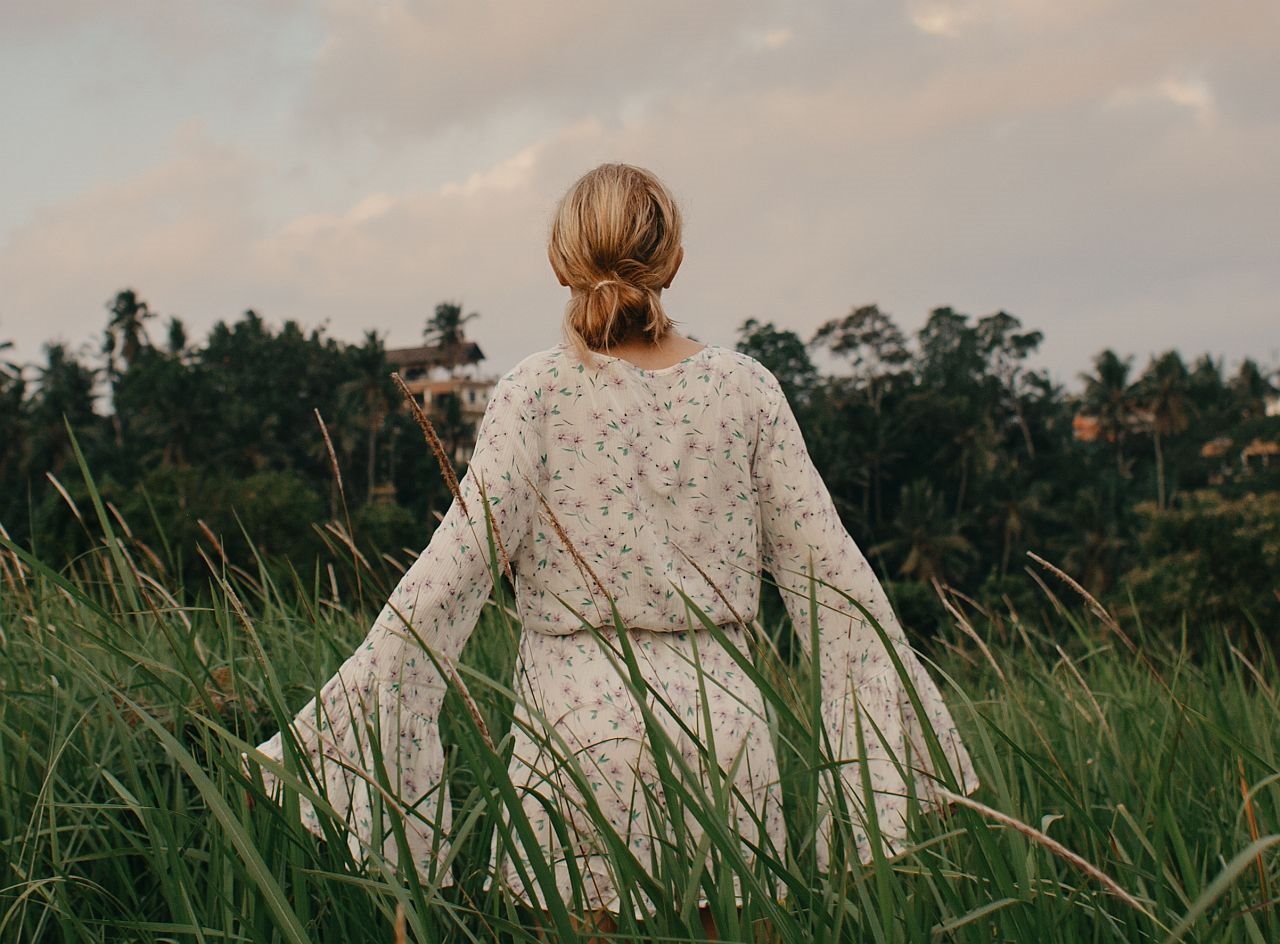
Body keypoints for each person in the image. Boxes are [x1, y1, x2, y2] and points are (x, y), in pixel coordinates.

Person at [249, 163, 978, 926]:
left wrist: (335, 720)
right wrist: (904, 748)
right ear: (674, 262)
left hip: (576, 733)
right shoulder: (743, 387)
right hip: (720, 731)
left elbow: (451, 572)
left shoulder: (534, 391)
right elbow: (830, 576)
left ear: (561, 263)